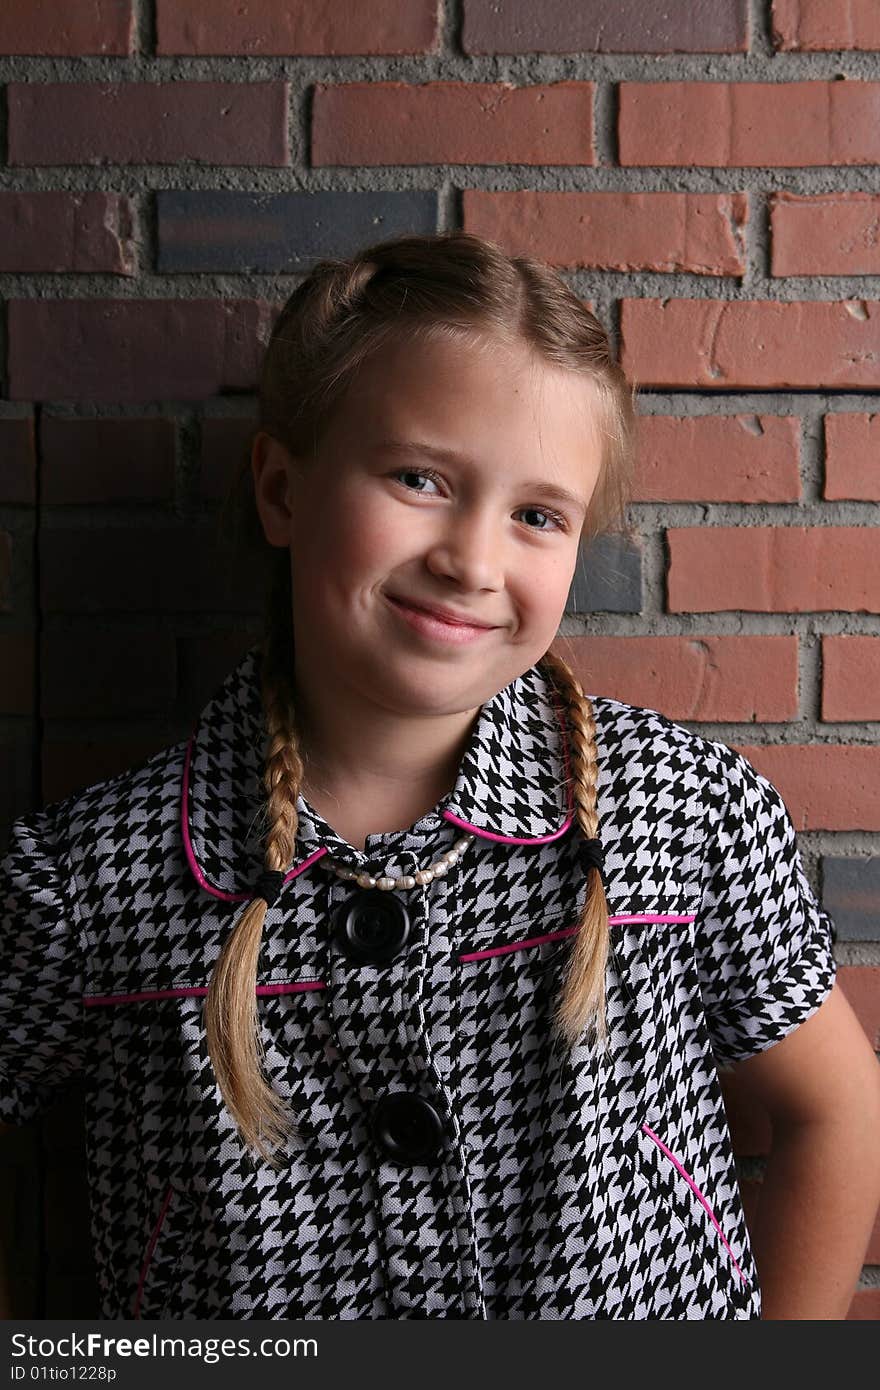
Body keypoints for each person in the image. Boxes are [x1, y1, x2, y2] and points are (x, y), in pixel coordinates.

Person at [1, 231, 879, 1322]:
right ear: (281, 490)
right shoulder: (88, 880)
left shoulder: (684, 811)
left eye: (536, 515)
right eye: (419, 478)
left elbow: (833, 1114)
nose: (472, 558)